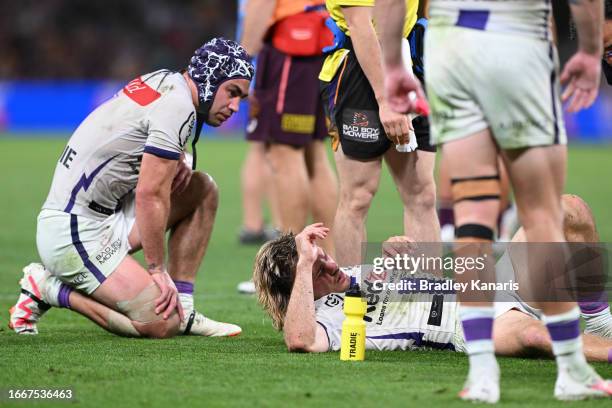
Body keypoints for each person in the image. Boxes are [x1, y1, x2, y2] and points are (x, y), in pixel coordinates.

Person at [376, 0, 607, 402]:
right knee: (541, 211)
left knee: (472, 217)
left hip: (450, 46)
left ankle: (483, 372)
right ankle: (571, 368)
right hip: (518, 37)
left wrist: (394, 64)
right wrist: (588, 51)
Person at [9, 38, 254, 338]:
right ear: (209, 79)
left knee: (202, 189)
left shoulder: (165, 80)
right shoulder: (178, 107)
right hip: (73, 231)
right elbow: (150, 194)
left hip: (101, 213)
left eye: (241, 98)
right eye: (232, 92)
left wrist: (181, 158)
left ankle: (184, 308)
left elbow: (136, 127)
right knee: (161, 323)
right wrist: (156, 270)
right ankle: (49, 288)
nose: (235, 107)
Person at [252, 195, 612, 365]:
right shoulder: (323, 322)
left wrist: (396, 255)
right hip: (468, 327)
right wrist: (303, 266)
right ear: (302, 286)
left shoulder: (353, 274)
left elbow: (402, 279)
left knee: (568, 208)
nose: (331, 267)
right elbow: (299, 340)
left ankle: (599, 317)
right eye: (318, 271)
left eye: (324, 258)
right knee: (535, 336)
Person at [320, 0, 439, 269]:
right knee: (357, 196)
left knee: (422, 194)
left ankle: (427, 299)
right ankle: (350, 302)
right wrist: (386, 100)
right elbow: (359, 24)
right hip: (359, 68)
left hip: (411, 56)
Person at [235, 0, 339, 294]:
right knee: (314, 155)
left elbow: (262, 5)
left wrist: (241, 63)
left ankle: (291, 265)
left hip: (290, 51)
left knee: (284, 154)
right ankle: (328, 260)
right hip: (322, 42)